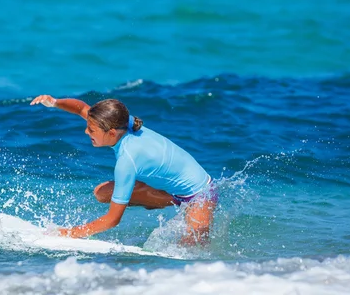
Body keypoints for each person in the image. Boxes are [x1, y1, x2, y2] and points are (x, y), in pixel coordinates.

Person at [30, 94, 217, 245]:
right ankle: (172, 200)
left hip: (201, 194)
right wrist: (54, 102)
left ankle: (181, 203)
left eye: (92, 130)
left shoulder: (127, 161)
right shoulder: (121, 122)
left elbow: (112, 219)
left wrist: (69, 233)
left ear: (111, 133)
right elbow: (81, 108)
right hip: (176, 189)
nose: (86, 132)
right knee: (102, 193)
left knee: (191, 248)